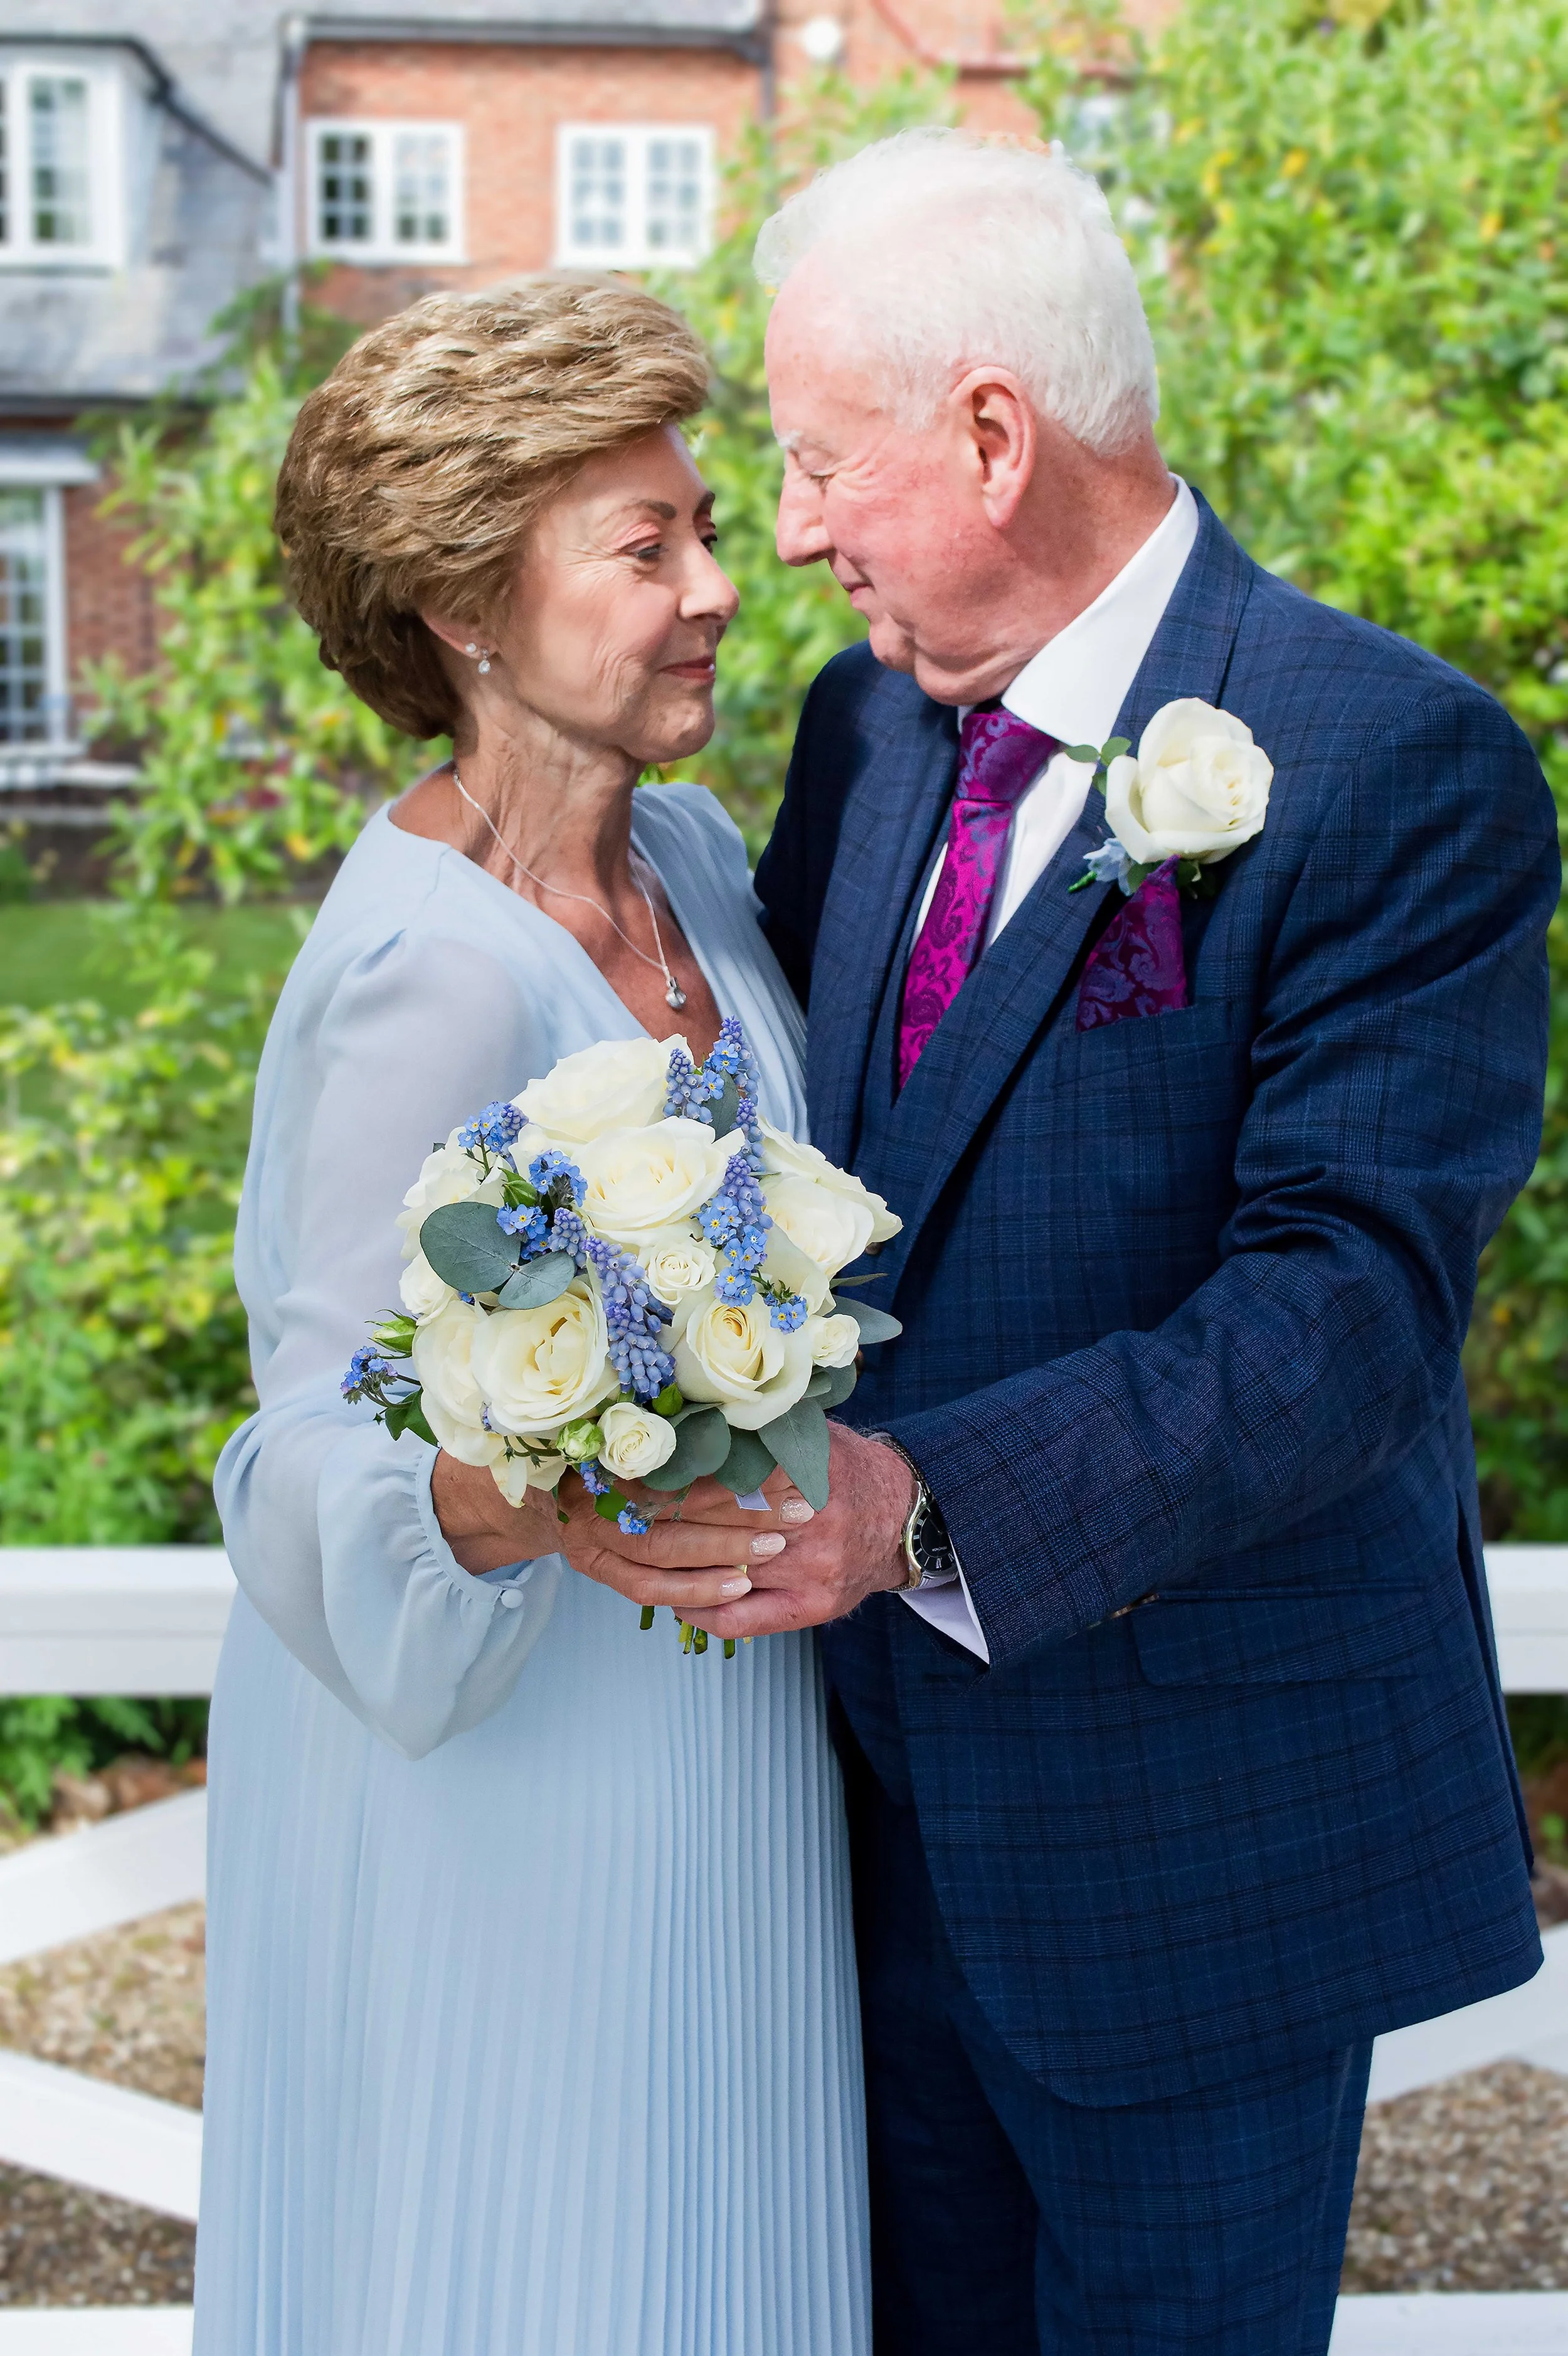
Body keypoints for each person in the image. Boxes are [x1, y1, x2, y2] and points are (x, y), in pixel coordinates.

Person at [579, 132, 1559, 2352]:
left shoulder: (1389, 761)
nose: (794, 530)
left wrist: (924, 1500)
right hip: (849, 1827)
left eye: (821, 460)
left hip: (1191, 1851)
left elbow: (1346, 1318)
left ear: (994, 434)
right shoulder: (866, 722)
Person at [198, 280, 869, 2356]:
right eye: (645, 547)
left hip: (711, 1728)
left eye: (705, 527)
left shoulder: (686, 852)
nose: (717, 591)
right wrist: (522, 1489)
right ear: (470, 612)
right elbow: (302, 1436)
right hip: (506, 1781)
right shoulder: (434, 970)